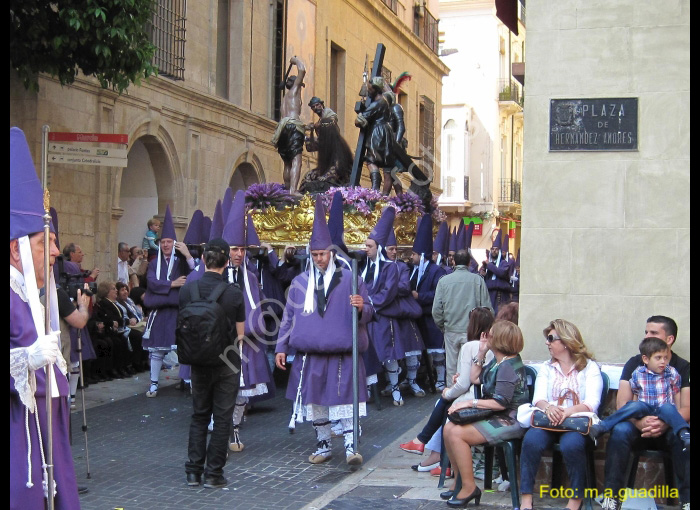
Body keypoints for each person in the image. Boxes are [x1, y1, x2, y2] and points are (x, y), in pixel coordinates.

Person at [10, 126, 81, 509]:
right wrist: (26, 359)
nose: (54, 252)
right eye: (44, 243)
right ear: (17, 251)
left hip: (46, 429)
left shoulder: (31, 296)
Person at [275, 197, 373, 466]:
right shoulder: (299, 283)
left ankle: (352, 447)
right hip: (310, 355)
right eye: (315, 254)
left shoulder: (352, 278)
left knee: (346, 401)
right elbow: (288, 318)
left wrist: (363, 306)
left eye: (323, 254)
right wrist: (281, 347)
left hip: (344, 354)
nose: (319, 259)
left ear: (332, 253)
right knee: (315, 401)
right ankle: (323, 444)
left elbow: (370, 312)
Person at [600, 315, 690, 510]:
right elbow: (623, 403)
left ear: (669, 339)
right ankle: (611, 498)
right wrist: (639, 423)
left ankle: (687, 500)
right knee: (620, 432)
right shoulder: (635, 364)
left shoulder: (681, 367)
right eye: (646, 332)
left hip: (667, 426)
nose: (646, 336)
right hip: (638, 424)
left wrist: (664, 423)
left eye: (653, 333)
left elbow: (686, 407)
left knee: (683, 438)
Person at [441, 319, 529, 507]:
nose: (487, 335)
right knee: (449, 428)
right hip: (496, 415)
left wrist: (468, 403)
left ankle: (469, 487)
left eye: (491, 333)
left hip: (509, 420)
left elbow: (500, 403)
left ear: (499, 339)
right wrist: (481, 352)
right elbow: (475, 377)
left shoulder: (507, 366)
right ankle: (460, 481)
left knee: (457, 434)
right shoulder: (500, 361)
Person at [182, 238, 245, 489]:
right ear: (227, 261)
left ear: (203, 259)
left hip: (197, 360)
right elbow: (241, 334)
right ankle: (214, 474)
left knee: (199, 415)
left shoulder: (188, 290)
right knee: (222, 417)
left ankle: (193, 472)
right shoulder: (233, 292)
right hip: (226, 361)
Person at [400, 307, 495, 474]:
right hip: (484, 395)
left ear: (471, 324)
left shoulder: (471, 346)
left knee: (446, 403)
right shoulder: (493, 347)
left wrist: (448, 391)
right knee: (445, 403)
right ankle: (435, 455)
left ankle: (441, 459)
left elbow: (465, 383)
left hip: (476, 398)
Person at [519, 319, 602, 510]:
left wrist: (568, 411)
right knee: (531, 441)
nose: (547, 343)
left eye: (550, 338)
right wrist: (549, 408)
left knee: (571, 445)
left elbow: (592, 403)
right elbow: (538, 399)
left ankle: (575, 501)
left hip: (575, 422)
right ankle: (526, 499)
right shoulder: (547, 368)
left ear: (565, 341)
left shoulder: (589, 368)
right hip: (549, 419)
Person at [590, 337, 689, 445]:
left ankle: (684, 434)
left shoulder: (672, 373)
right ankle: (603, 426)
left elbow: (676, 394)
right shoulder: (638, 374)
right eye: (658, 358)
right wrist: (636, 412)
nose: (663, 361)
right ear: (646, 359)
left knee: (669, 407)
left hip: (664, 411)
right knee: (635, 405)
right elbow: (636, 394)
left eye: (665, 358)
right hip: (645, 409)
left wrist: (676, 413)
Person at [142, 205, 195, 397]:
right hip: (160, 312)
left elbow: (194, 274)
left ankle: (187, 381)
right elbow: (151, 282)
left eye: (169, 241)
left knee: (184, 349)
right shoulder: (154, 263)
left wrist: (188, 255)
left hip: (178, 312)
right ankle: (154, 384)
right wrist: (172, 285)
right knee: (157, 350)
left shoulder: (181, 261)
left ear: (174, 243)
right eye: (163, 241)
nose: (165, 245)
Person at [433, 249, 492, 386]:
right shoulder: (478, 280)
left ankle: (450, 396)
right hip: (473, 331)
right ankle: (469, 397)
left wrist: (443, 326)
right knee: (472, 366)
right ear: (469, 262)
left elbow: (436, 310)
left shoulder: (444, 281)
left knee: (452, 367)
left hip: (451, 329)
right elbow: (487, 309)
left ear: (453, 261)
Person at [410, 214, 448, 391]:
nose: (412, 257)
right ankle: (423, 377)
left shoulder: (437, 271)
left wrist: (420, 297)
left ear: (422, 255)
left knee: (436, 350)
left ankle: (440, 378)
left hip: (432, 317)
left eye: (414, 254)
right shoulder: (413, 270)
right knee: (421, 351)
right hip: (418, 317)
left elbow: (439, 294)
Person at [300, 97, 352, 193]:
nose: (316, 108)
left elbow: (338, 166)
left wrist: (325, 176)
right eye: (313, 107)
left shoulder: (338, 145)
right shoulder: (323, 141)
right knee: (308, 177)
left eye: (317, 105)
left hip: (338, 175)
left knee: (322, 182)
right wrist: (308, 133)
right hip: (325, 171)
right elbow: (310, 147)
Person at [354, 76, 396, 192]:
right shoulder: (387, 99)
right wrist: (382, 81)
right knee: (387, 166)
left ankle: (375, 189)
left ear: (375, 89)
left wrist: (359, 115)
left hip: (377, 133)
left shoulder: (375, 104)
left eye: (370, 89)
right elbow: (391, 93)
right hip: (388, 133)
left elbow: (359, 122)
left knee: (371, 160)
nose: (368, 91)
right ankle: (385, 196)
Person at [272, 56, 306, 194]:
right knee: (296, 159)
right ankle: (292, 190)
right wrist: (295, 61)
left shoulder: (284, 100)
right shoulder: (294, 92)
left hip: (282, 129)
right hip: (293, 127)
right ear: (295, 84)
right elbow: (302, 70)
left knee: (287, 162)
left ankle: (287, 190)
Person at [479, 231, 512, 315]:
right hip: (489, 296)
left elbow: (501, 273)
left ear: (500, 251)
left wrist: (489, 266)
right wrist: (483, 274)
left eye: (496, 249)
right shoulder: (486, 264)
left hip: (500, 296)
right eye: (492, 249)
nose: (494, 251)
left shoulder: (504, 263)